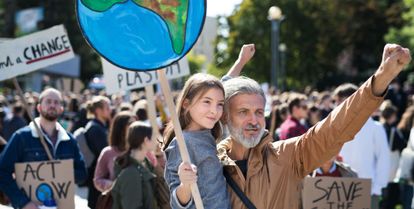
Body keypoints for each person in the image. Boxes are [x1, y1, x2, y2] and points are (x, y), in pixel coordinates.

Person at [211, 44, 410, 209]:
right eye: (243, 112)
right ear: (226, 117)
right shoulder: (209, 164)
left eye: (258, 112)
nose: (254, 120)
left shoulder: (287, 157)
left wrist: (382, 78)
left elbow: (335, 128)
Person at [0, 88, 87, 209]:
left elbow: (82, 175)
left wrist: (60, 171)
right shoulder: (21, 137)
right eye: (48, 101)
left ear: (61, 109)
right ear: (39, 107)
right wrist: (23, 202)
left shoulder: (70, 141)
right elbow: (2, 171)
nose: (52, 105)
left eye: (57, 102)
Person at [163, 73, 231, 209]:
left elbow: (224, 83)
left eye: (220, 104)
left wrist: (240, 61)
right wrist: (185, 184)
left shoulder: (208, 134)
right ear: (186, 104)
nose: (214, 110)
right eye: (207, 102)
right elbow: (176, 204)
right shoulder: (182, 143)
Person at [335, 83, 391, 209]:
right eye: (337, 102)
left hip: (368, 190)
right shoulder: (334, 127)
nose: (337, 105)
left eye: (340, 101)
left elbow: (383, 159)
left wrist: (377, 188)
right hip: (339, 189)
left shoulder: (375, 128)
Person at [111, 121, 158, 209]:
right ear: (146, 140)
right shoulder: (131, 173)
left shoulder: (146, 164)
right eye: (154, 137)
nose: (157, 141)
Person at [93, 111, 136, 192]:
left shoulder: (143, 150)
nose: (135, 127)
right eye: (130, 123)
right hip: (116, 201)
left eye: (136, 123)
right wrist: (114, 185)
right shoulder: (108, 153)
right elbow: (98, 180)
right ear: (120, 128)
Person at [84, 95, 112, 209]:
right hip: (98, 177)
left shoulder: (100, 126)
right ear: (98, 111)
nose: (110, 110)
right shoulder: (95, 129)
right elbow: (104, 153)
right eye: (107, 108)